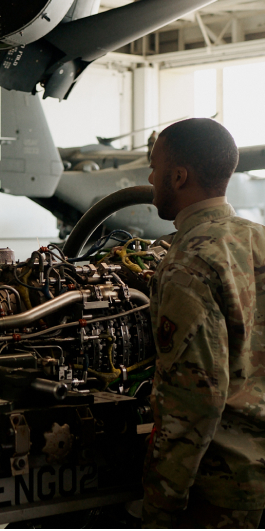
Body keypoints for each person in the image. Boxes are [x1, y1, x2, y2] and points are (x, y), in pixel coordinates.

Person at [143, 118, 265, 528]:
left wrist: (161, 504)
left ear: (178, 177)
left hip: (227, 492)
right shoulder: (259, 239)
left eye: (155, 166)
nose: (150, 175)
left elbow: (194, 403)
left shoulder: (188, 263)